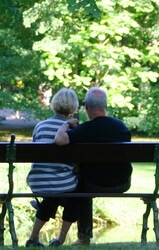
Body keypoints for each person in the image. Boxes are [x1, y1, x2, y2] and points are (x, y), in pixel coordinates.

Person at [54, 87, 133, 246]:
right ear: (105, 106)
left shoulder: (86, 129)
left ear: (87, 107)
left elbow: (60, 140)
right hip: (123, 183)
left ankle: (84, 237)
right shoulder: (121, 127)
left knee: (81, 187)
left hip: (94, 185)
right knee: (84, 184)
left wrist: (67, 124)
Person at [25, 88, 80, 248]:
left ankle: (33, 237)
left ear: (54, 104)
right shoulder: (73, 129)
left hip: (37, 181)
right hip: (61, 183)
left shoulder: (40, 126)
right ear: (74, 107)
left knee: (53, 195)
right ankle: (60, 239)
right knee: (75, 194)